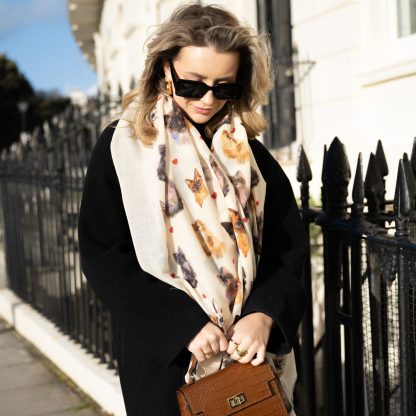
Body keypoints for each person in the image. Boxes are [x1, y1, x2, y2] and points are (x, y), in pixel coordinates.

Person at [78, 4, 307, 416]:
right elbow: (103, 254)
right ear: (165, 70)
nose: (207, 100)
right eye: (192, 85)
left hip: (248, 358)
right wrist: (181, 325)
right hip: (166, 359)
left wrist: (264, 314)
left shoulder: (251, 158)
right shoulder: (124, 149)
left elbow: (287, 250)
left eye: (225, 88)